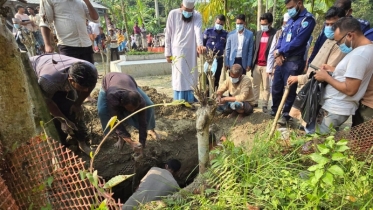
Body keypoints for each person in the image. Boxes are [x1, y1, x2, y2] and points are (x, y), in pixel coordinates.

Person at [288, 6, 347, 131]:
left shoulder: (341, 45)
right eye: (327, 23)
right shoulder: (328, 39)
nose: (329, 27)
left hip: (319, 90)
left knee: (315, 126)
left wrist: (300, 78)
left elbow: (324, 74)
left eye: (333, 24)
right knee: (308, 122)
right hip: (311, 82)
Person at [310, 17, 373, 134]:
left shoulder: (359, 55)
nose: (339, 45)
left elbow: (350, 89)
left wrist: (326, 77)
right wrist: (333, 70)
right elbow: (352, 74)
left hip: (336, 106)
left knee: (318, 140)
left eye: (339, 41)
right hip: (337, 105)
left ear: (350, 35)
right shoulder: (367, 49)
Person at [30, 54, 98, 154]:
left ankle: (82, 143)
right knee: (56, 117)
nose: (86, 90)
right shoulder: (48, 82)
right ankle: (62, 146)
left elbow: (89, 87)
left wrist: (78, 104)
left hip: (58, 72)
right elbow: (47, 101)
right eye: (83, 88)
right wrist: (63, 120)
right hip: (39, 71)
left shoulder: (91, 71)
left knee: (72, 110)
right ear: (71, 81)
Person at [271, 0, 316, 125]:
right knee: (276, 87)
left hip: (293, 62)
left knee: (289, 88)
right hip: (281, 60)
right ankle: (275, 111)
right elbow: (281, 37)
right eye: (287, 8)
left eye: (291, 7)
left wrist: (280, 51)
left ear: (299, 3)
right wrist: (277, 54)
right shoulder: (291, 20)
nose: (289, 10)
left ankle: (285, 115)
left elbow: (299, 41)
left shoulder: (307, 20)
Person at [97, 72, 159, 154]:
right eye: (129, 109)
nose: (132, 111)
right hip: (109, 83)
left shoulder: (141, 101)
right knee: (102, 111)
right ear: (122, 103)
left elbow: (142, 122)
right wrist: (130, 142)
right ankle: (119, 137)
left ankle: (151, 129)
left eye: (134, 109)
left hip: (129, 82)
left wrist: (142, 144)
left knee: (149, 104)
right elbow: (115, 120)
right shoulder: (112, 97)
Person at [165, 0, 204, 104]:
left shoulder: (196, 15)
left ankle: (190, 98)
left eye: (191, 11)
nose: (188, 13)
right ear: (181, 6)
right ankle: (179, 98)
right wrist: (167, 53)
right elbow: (168, 34)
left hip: (191, 49)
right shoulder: (173, 14)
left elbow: (198, 30)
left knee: (191, 74)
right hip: (176, 49)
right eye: (186, 10)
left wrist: (200, 44)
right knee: (179, 75)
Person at [308, 0, 370, 65]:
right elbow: (318, 45)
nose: (330, 27)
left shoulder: (358, 28)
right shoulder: (327, 27)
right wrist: (310, 61)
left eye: (333, 24)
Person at [251, 12, 277, 113]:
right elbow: (255, 49)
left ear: (270, 23)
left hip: (267, 65)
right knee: (255, 85)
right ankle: (255, 101)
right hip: (257, 64)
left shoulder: (275, 34)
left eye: (265, 24)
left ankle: (265, 105)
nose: (263, 26)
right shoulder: (258, 34)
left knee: (266, 86)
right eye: (261, 24)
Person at [203, 14, 228, 90]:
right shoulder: (208, 31)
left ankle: (214, 94)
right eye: (218, 23)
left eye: (221, 24)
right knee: (206, 77)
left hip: (218, 59)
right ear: (215, 21)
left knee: (216, 77)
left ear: (223, 24)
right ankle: (207, 96)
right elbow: (203, 43)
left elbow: (226, 47)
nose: (219, 25)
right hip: (208, 59)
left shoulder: (225, 34)